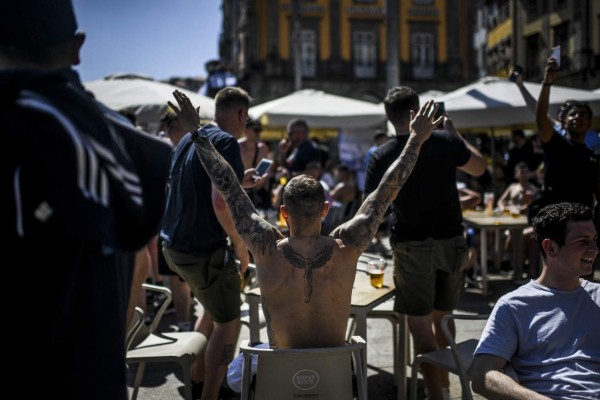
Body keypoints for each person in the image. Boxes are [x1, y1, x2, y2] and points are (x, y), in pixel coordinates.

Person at [168, 90, 442, 393]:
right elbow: (387, 189)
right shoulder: (348, 246)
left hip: (277, 385)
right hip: (334, 383)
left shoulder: (265, 246)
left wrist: (196, 131)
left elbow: (229, 186)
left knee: (239, 370)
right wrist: (416, 140)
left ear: (283, 214)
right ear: (325, 210)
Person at [2, 1, 172, 398]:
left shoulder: (15, 126)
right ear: (78, 48)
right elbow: (137, 264)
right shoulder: (133, 145)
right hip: (94, 377)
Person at [364, 87, 486, 400]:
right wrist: (454, 133)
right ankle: (446, 387)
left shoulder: (382, 155)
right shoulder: (446, 142)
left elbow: (373, 206)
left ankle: (437, 394)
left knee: (419, 327)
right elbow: (479, 167)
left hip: (412, 243)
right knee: (443, 320)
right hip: (451, 241)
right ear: (416, 112)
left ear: (390, 118)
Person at [160, 87, 258, 400]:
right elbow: (220, 200)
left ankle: (198, 379)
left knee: (211, 312)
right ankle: (211, 395)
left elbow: (200, 183)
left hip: (174, 247)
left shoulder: (189, 138)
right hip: (203, 249)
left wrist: (241, 181)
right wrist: (240, 243)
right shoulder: (227, 142)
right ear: (241, 114)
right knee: (228, 324)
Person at [469, 202, 600, 400]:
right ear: (550, 247)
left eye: (594, 240)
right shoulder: (514, 305)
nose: (595, 249)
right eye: (583, 241)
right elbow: (482, 375)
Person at [239, 117, 272, 210]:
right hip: (242, 189)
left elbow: (268, 169)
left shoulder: (262, 147)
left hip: (258, 190)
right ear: (245, 130)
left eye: (260, 130)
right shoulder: (238, 146)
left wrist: (265, 186)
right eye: (256, 130)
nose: (259, 133)